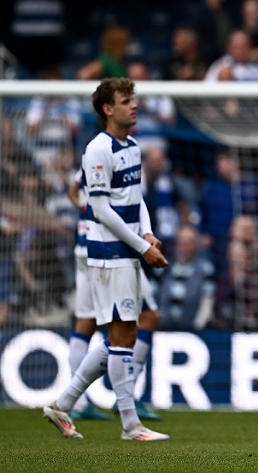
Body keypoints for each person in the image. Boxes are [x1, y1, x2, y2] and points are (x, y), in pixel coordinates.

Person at [43, 77, 169, 441]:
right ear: (107, 109)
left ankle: (64, 404)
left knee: (122, 334)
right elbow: (99, 209)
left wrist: (145, 232)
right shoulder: (97, 150)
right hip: (107, 253)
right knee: (122, 334)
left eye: (134, 99)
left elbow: (135, 198)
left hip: (127, 249)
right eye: (126, 100)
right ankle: (130, 424)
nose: (134, 105)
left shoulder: (131, 145)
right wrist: (142, 247)